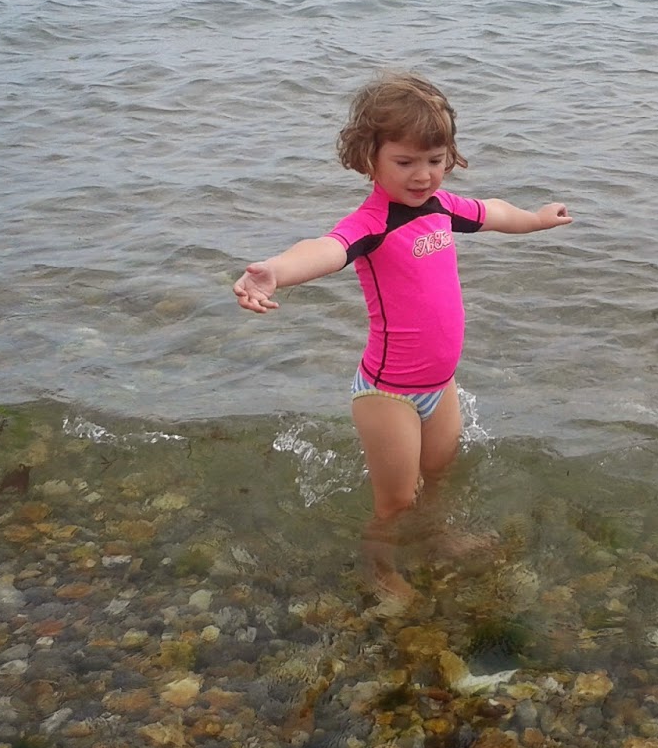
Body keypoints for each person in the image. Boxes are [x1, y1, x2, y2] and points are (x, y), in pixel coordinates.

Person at [233, 73, 572, 605]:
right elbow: (324, 249)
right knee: (395, 502)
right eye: (405, 162)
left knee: (438, 476)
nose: (423, 175)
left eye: (435, 160)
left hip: (440, 385)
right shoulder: (372, 223)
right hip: (388, 392)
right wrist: (275, 271)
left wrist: (535, 219)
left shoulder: (443, 207)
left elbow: (493, 212)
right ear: (370, 159)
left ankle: (437, 538)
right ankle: (379, 568)